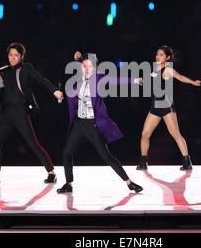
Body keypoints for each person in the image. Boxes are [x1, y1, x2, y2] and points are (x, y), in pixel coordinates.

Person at [57, 51, 143, 194]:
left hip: (92, 125)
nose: (86, 69)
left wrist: (134, 80)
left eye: (90, 67)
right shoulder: (78, 79)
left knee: (106, 156)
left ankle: (129, 183)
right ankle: (68, 183)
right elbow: (80, 66)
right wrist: (77, 59)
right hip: (78, 124)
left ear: (96, 68)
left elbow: (116, 79)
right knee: (66, 153)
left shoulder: (98, 78)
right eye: (84, 66)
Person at [0, 43, 63, 184]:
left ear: (22, 56)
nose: (13, 58)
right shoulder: (5, 70)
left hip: (21, 112)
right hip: (7, 113)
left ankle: (51, 173)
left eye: (16, 55)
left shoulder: (26, 69)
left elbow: (41, 80)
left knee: (33, 144)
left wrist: (54, 91)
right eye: (11, 55)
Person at [136, 45, 201, 171]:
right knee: (145, 134)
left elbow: (180, 77)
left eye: (161, 55)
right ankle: (143, 161)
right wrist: (142, 80)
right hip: (155, 106)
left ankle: (187, 161)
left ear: (167, 57)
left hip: (166, 106)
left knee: (175, 134)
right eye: (157, 54)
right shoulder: (154, 69)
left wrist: (193, 82)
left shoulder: (168, 70)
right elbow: (150, 81)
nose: (158, 56)